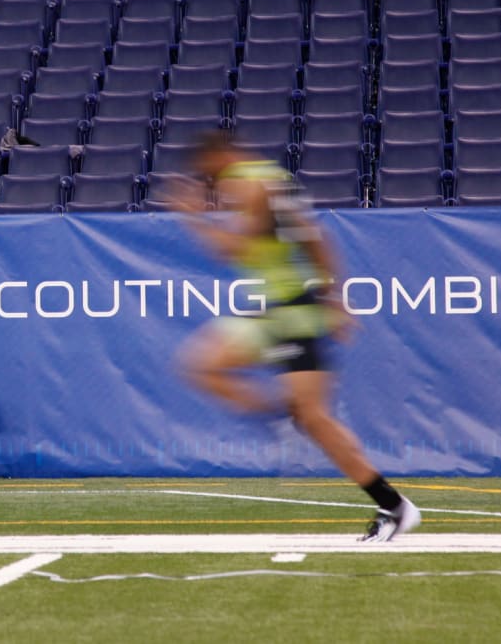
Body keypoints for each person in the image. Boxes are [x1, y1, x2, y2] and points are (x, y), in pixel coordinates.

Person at [174, 133, 421, 543]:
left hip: (293, 310)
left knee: (316, 419)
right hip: (275, 308)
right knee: (204, 366)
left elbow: (239, 252)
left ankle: (394, 506)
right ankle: (282, 416)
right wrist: (336, 294)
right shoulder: (267, 177)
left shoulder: (249, 184)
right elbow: (314, 237)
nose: (207, 183)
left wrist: (195, 218)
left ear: (217, 157)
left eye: (206, 173)